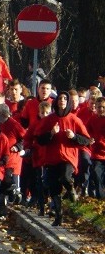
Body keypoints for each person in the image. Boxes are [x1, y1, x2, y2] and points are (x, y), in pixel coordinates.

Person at [35, 91, 91, 226]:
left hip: (68, 157)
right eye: (60, 98)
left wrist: (73, 137)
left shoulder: (74, 119)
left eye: (65, 99)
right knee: (54, 187)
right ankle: (59, 215)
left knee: (66, 177)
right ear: (56, 101)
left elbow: (86, 139)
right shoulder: (49, 119)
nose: (62, 101)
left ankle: (71, 190)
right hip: (52, 158)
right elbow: (40, 139)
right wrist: (51, 133)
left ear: (68, 102)